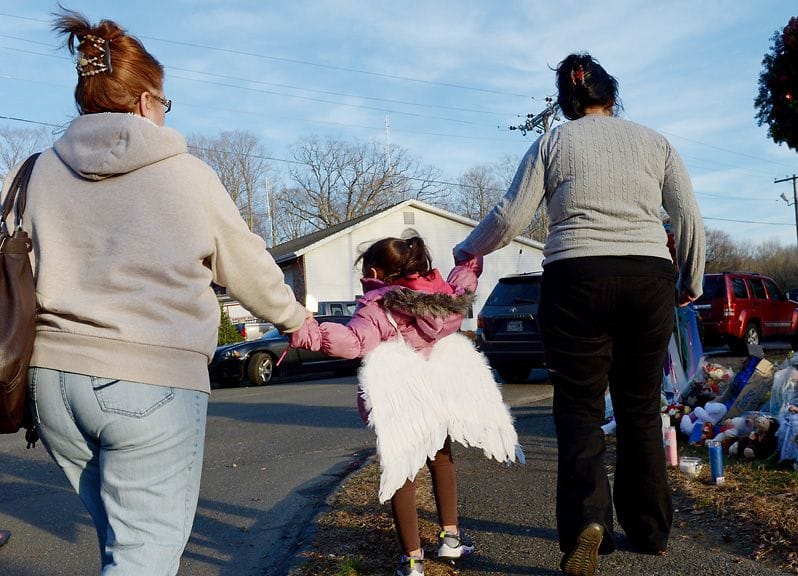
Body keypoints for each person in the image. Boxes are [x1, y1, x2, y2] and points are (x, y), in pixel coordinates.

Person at [0, 9, 319, 575]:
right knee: (142, 557)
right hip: (150, 382)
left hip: (50, 386)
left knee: (121, 544)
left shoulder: (31, 173)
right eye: (165, 104)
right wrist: (296, 319)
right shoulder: (186, 176)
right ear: (147, 101)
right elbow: (245, 264)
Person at [453, 52, 705, 576]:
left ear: (568, 102)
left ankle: (589, 523)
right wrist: (691, 279)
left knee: (579, 408)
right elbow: (687, 216)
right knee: (639, 407)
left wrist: (467, 250)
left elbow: (510, 214)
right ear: (612, 96)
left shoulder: (553, 142)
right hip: (646, 278)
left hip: (574, 279)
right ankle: (651, 529)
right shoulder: (654, 141)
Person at [291, 236, 521, 576]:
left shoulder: (377, 307)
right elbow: (462, 282)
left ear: (373, 271)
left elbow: (353, 342)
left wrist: (307, 331)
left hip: (401, 396)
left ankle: (413, 561)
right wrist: (469, 256)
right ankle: (451, 539)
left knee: (403, 472)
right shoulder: (441, 297)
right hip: (436, 388)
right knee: (442, 460)